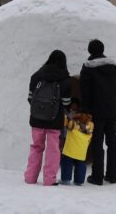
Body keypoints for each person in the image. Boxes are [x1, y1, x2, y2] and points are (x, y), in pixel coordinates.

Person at [79, 39, 116, 185]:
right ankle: (112, 175)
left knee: (97, 143)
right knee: (112, 141)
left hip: (95, 112)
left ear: (90, 51)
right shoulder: (112, 68)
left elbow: (84, 93)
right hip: (111, 110)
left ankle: (97, 176)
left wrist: (84, 112)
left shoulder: (87, 68)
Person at [24, 50, 72, 186]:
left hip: (36, 119)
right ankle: (49, 180)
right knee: (53, 149)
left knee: (36, 147)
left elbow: (30, 98)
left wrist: (40, 110)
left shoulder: (36, 76)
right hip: (54, 121)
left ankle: (30, 177)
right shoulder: (65, 79)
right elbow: (66, 104)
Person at [59, 109, 94, 186]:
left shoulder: (73, 124)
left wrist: (62, 112)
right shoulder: (90, 126)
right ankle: (79, 181)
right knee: (81, 165)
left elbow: (65, 121)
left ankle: (65, 179)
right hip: (81, 152)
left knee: (66, 164)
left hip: (69, 150)